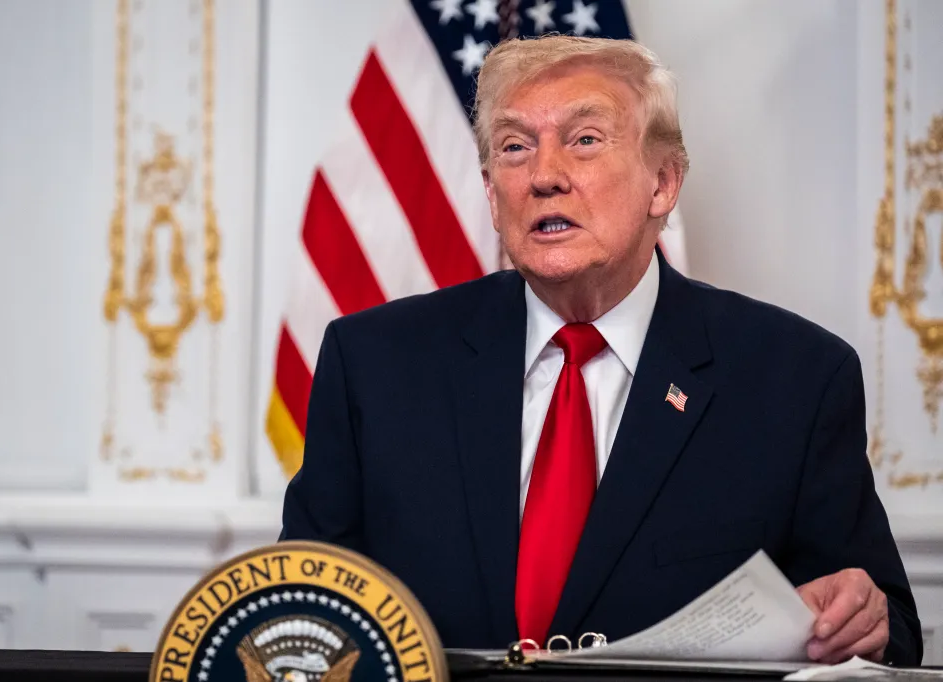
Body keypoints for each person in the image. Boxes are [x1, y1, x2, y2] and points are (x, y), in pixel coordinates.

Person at [280, 35, 921, 666]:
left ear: (662, 184)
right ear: (489, 193)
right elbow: (304, 612)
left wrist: (861, 619)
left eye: (585, 140)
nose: (544, 176)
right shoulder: (373, 364)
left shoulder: (796, 379)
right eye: (513, 147)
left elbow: (888, 625)